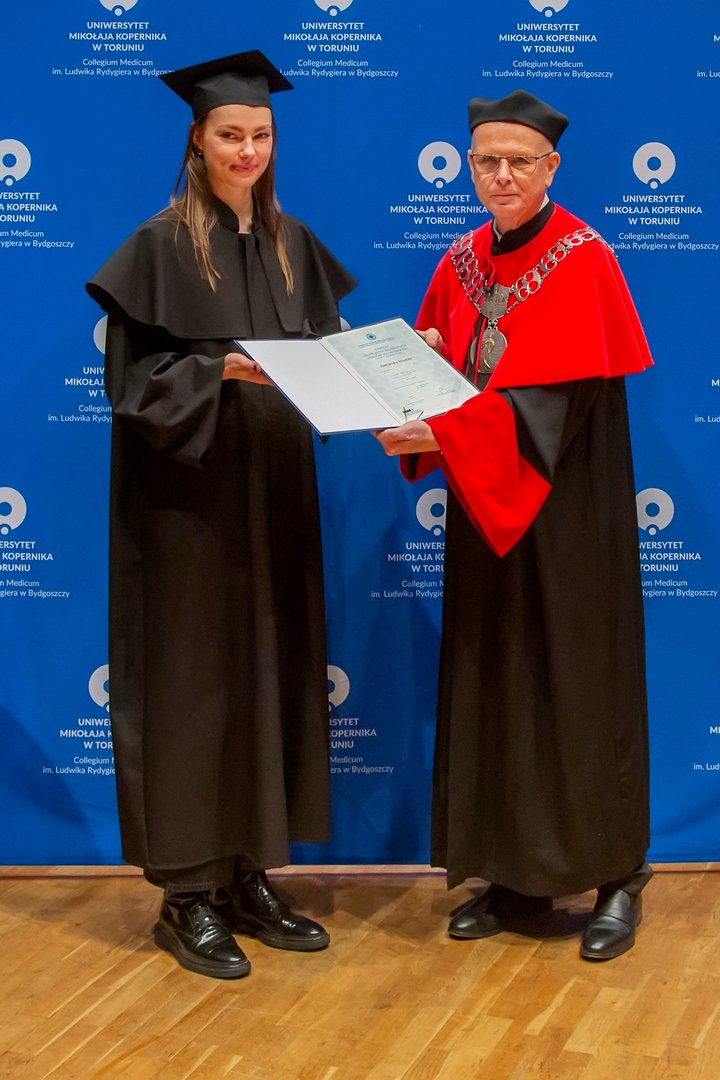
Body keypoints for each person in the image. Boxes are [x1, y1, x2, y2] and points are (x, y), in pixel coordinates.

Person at [86, 50, 356, 979]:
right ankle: (186, 896)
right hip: (187, 509)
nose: (248, 151)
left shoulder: (293, 245)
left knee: (269, 675)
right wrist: (221, 369)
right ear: (197, 139)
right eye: (230, 135)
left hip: (275, 500)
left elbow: (329, 361)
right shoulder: (160, 248)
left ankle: (248, 874)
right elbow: (133, 385)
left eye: (261, 135)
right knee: (193, 687)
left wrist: (397, 366)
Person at [374, 90, 653, 961]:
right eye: (486, 160)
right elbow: (440, 371)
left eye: (518, 161)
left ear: (550, 167)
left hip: (568, 520)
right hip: (487, 516)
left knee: (578, 685)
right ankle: (509, 872)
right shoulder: (460, 260)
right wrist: (405, 390)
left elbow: (554, 409)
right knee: (494, 680)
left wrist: (447, 431)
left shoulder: (584, 259)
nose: (501, 175)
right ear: (469, 165)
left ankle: (616, 875)